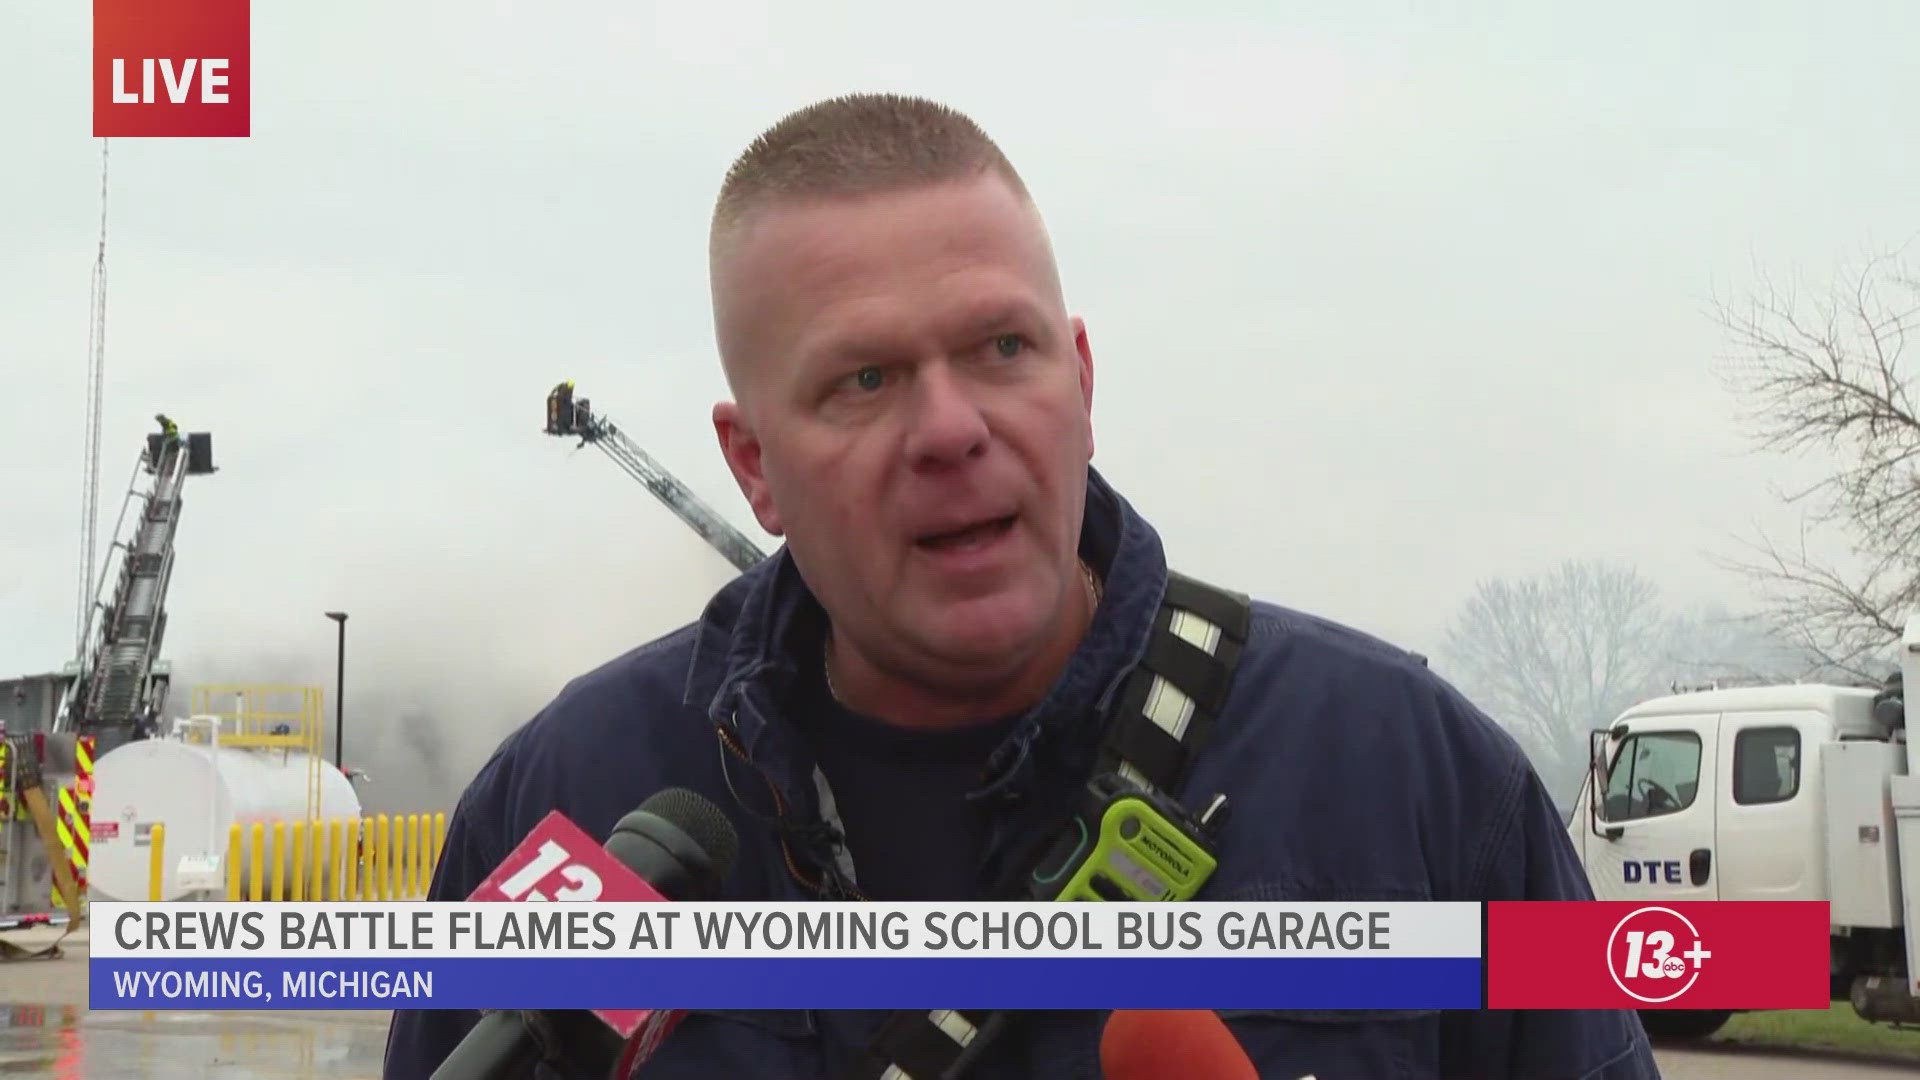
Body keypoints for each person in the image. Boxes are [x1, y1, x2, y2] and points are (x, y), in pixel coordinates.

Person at [384, 94, 1661, 1080]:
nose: (951, 428)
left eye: (1003, 348)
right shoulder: (559, 806)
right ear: (752, 465)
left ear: (1082, 381)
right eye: (864, 381)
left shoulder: (1415, 784)